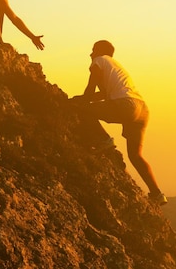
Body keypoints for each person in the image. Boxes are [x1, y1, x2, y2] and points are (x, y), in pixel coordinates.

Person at [70, 40, 167, 206]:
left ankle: (103, 140)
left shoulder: (98, 61)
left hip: (126, 105)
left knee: (83, 110)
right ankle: (157, 194)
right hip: (142, 109)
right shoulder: (114, 66)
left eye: (93, 50)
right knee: (135, 156)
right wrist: (82, 98)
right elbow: (104, 94)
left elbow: (91, 87)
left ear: (100, 51)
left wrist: (79, 101)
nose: (90, 54)